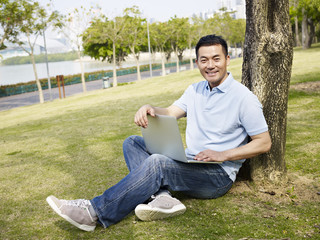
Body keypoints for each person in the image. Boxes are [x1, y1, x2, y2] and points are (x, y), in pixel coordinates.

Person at [46, 34, 271, 232]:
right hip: (190, 161)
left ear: (227, 60)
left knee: (157, 163)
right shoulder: (195, 90)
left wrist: (223, 155)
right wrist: (151, 109)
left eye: (216, 58)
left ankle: (94, 212)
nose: (210, 65)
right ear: (197, 63)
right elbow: (172, 112)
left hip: (217, 175)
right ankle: (163, 198)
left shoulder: (243, 98)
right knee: (133, 143)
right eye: (204, 60)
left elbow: (263, 143)